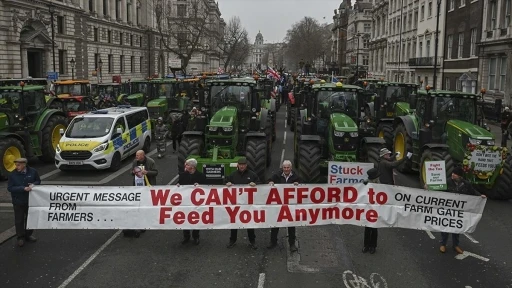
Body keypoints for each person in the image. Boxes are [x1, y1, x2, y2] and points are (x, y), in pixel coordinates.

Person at [439, 167, 486, 254]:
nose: (453, 174)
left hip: (459, 210)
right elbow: (437, 190)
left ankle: (456, 245)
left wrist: (480, 196)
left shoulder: (466, 184)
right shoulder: (447, 181)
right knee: (445, 226)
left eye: (455, 173)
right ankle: (443, 244)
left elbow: (473, 192)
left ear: (460, 176)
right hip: (448, 209)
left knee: (456, 227)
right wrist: (428, 188)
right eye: (452, 173)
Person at [225, 157, 261, 249]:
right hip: (236, 204)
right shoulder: (233, 175)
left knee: (249, 223)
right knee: (234, 223)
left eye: (243, 165)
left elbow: (260, 183)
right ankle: (232, 240)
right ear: (238, 165)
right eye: (240, 165)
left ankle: (252, 241)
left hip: (248, 204)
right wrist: (227, 183)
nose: (242, 166)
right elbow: (225, 182)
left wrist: (255, 184)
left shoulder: (252, 175)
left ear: (246, 165)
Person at [7, 158, 41, 247]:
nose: (16, 167)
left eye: (18, 165)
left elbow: (38, 181)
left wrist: (33, 185)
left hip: (30, 200)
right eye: (16, 165)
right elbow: (10, 188)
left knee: (30, 219)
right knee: (19, 220)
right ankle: (20, 237)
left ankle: (28, 235)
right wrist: (22, 188)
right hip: (18, 201)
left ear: (24, 165)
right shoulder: (12, 175)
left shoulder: (33, 172)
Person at [267, 160, 300, 252]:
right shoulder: (277, 175)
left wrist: (298, 184)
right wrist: (270, 182)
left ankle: (292, 244)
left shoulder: (296, 177)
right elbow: (269, 180)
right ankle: (273, 242)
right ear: (282, 168)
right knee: (275, 224)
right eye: (284, 167)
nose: (286, 169)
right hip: (278, 205)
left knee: (291, 225)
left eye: (288, 167)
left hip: (290, 206)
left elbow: (303, 186)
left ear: (291, 168)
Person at [177, 158, 207, 245]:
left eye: (187, 165)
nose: (185, 166)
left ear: (192, 167)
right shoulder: (182, 175)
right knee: (184, 218)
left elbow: (206, 187)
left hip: (196, 202)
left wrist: (200, 186)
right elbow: (179, 184)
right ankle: (186, 236)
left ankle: (196, 236)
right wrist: (178, 185)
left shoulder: (201, 176)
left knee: (195, 218)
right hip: (185, 201)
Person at [362, 168, 380, 254]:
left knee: (374, 229)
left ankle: (373, 246)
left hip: (376, 209)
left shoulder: (380, 186)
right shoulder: (366, 184)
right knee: (367, 228)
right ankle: (366, 245)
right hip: (368, 208)